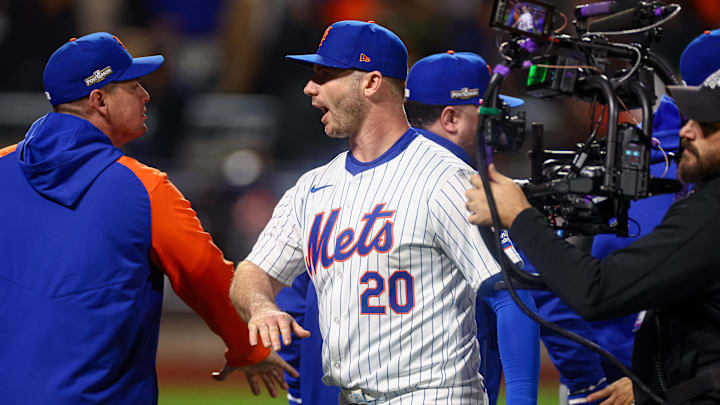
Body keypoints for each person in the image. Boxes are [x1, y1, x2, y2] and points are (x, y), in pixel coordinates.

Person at [0, 32, 295, 404]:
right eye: (134, 86)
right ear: (99, 100)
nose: (146, 95)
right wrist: (247, 348)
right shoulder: (144, 188)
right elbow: (209, 277)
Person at [230, 20, 512, 404]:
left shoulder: (444, 178)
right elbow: (251, 272)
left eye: (325, 75)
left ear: (371, 83)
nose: (310, 88)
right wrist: (261, 306)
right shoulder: (313, 186)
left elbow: (507, 296)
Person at [465, 64, 720, 404]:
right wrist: (656, 383)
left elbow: (595, 291)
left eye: (705, 123)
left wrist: (520, 216)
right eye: (689, 117)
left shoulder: (710, 211)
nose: (688, 130)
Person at [404, 50, 539, 405]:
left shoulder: (354, 180)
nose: (499, 121)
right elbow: (516, 298)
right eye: (488, 110)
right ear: (451, 119)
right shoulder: (464, 188)